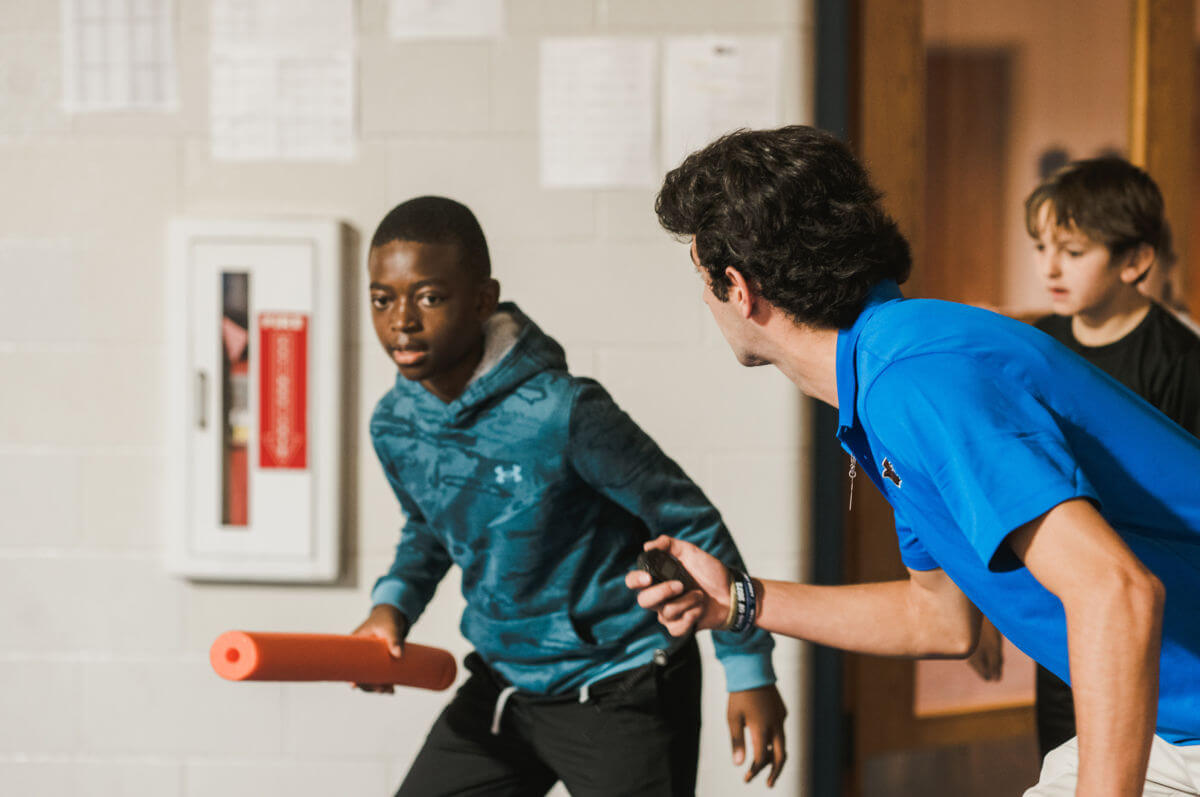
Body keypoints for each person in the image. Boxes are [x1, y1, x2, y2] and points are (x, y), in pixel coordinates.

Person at [626, 126, 1200, 796]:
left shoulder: (915, 381)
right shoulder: (887, 368)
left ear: (739, 287)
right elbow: (940, 619)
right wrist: (737, 600)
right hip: (1172, 726)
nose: (704, 301)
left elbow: (1117, 591)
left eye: (703, 279)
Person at [350, 195, 787, 796]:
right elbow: (428, 528)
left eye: (428, 297)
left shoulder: (563, 411)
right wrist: (392, 608)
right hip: (507, 684)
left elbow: (689, 521)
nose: (401, 320)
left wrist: (749, 668)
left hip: (624, 681)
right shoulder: (394, 425)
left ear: (482, 299)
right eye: (382, 299)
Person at [972, 156, 1200, 758]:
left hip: (1159, 611)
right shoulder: (1037, 344)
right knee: (1065, 762)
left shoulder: (1180, 362)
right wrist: (983, 609)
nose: (1049, 267)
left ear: (1135, 261)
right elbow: (1007, 482)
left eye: (1072, 252)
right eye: (1041, 247)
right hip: (1063, 603)